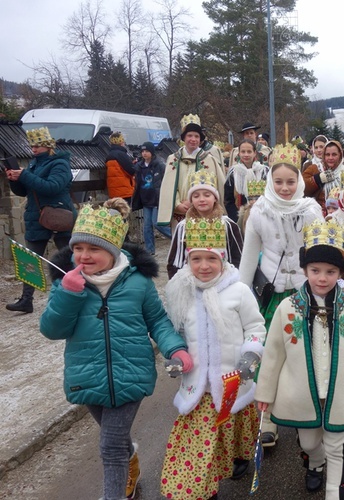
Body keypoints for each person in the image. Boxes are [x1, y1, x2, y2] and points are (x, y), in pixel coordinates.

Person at [40, 198, 190, 500]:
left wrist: (176, 348)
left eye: (94, 249)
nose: (84, 256)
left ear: (112, 250)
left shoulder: (137, 282)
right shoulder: (67, 283)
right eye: (78, 248)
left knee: (109, 446)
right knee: (116, 441)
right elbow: (52, 330)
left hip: (131, 374)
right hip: (87, 376)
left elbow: (157, 321)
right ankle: (129, 462)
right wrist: (68, 295)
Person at [255, 219, 344, 499]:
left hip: (341, 391)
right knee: (309, 441)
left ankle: (336, 492)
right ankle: (315, 462)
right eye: (315, 270)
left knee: (337, 445)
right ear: (305, 270)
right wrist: (265, 392)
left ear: (340, 273)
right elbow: (273, 353)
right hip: (302, 392)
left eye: (331, 271)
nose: (322, 278)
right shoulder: (288, 308)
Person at [161, 217, 266, 500]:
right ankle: (203, 493)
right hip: (198, 387)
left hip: (232, 380)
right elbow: (174, 332)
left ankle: (239, 458)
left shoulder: (238, 290)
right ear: (187, 259)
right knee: (200, 449)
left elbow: (256, 327)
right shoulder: (180, 291)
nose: (204, 266)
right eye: (196, 259)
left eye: (211, 258)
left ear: (222, 259)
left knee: (232, 434)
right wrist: (174, 356)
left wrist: (251, 355)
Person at [239, 142, 323, 447]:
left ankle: (304, 413)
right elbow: (249, 257)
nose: (285, 188)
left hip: (305, 293)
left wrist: (324, 289)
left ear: (299, 181)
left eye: (290, 182)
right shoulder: (259, 210)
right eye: (278, 182)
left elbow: (322, 254)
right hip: (272, 296)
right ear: (270, 181)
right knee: (269, 356)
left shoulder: (311, 211)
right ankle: (269, 418)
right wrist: (239, 295)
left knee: (305, 355)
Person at [6, 127, 75, 313]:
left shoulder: (60, 164)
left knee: (67, 258)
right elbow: (25, 191)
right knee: (28, 259)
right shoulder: (33, 164)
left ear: (47, 145)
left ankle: (75, 293)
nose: (33, 149)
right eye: (32, 146)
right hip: (36, 218)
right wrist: (15, 180)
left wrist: (25, 175)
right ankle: (26, 300)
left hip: (58, 217)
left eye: (37, 145)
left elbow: (52, 187)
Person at [167, 170, 243, 279]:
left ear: (215, 198)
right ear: (191, 200)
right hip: (191, 282)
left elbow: (237, 257)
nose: (202, 199)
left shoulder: (228, 225)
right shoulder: (183, 227)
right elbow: (174, 261)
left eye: (207, 195)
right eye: (196, 196)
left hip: (223, 280)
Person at [157, 114, 226, 229]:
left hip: (203, 211)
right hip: (179, 212)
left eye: (196, 136)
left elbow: (217, 186)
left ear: (200, 139)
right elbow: (168, 186)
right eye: (189, 136)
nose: (193, 139)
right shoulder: (173, 159)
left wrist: (194, 202)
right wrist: (177, 204)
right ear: (184, 138)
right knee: (180, 242)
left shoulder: (209, 160)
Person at [132, 141, 171, 255]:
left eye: (147, 151)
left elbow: (166, 181)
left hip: (157, 199)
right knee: (147, 226)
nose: (144, 153)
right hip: (145, 199)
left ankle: (178, 237)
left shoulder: (159, 165)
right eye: (143, 151)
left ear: (152, 152)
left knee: (157, 224)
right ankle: (150, 250)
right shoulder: (139, 166)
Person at [225, 139, 267, 222]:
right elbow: (228, 200)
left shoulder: (264, 171)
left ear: (254, 153)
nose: (246, 154)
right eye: (243, 152)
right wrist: (237, 218)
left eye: (249, 151)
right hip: (240, 217)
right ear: (239, 153)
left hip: (262, 216)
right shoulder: (233, 173)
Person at [303, 140, 344, 210]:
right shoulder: (314, 168)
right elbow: (302, 188)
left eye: (334, 154)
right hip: (318, 215)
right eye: (327, 154)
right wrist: (318, 179)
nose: (330, 158)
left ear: (340, 155)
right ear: (323, 155)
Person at [105, 131, 136, 205]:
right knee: (124, 212)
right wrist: (135, 164)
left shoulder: (109, 156)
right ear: (121, 142)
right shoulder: (121, 155)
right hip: (124, 191)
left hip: (113, 191)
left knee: (116, 213)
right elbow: (131, 171)